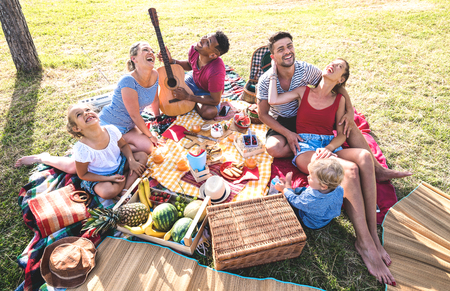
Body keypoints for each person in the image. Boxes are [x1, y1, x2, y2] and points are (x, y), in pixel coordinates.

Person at [269, 57, 396, 286]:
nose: (333, 66)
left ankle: (373, 237)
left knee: (364, 157)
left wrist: (328, 148)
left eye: (339, 67)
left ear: (342, 79)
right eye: (333, 62)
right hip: (306, 147)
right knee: (350, 171)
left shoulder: (338, 100)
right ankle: (365, 242)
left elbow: (342, 135)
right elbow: (273, 100)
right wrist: (271, 72)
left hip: (328, 145)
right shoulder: (303, 91)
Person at [257, 31, 411, 182]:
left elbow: (334, 84)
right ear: (273, 57)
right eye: (281, 49)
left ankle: (378, 169)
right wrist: (287, 133)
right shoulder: (265, 81)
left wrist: (350, 111)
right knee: (273, 148)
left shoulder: (306, 70)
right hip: (285, 119)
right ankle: (308, 151)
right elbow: (262, 114)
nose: (287, 52)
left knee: (347, 124)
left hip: (309, 114)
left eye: (289, 46)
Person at [15, 41, 161, 174]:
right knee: (73, 167)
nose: (151, 53)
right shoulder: (128, 80)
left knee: (149, 148)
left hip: (128, 127)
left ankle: (115, 149)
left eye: (152, 50)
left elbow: (155, 99)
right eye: (145, 50)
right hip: (109, 124)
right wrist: (150, 134)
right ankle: (43, 158)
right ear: (133, 58)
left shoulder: (155, 74)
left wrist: (158, 119)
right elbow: (135, 115)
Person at [67, 104, 147, 200]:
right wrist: (108, 179)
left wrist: (131, 161)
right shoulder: (82, 149)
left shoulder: (111, 130)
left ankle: (125, 190)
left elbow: (124, 145)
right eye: (79, 114)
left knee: (142, 156)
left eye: (87, 109)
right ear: (76, 128)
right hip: (100, 177)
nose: (86, 113)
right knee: (107, 192)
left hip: (120, 164)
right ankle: (123, 181)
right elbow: (83, 175)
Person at [157, 31, 230, 120]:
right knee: (171, 90)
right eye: (206, 36)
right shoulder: (195, 49)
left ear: (212, 55)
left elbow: (215, 100)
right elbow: (190, 65)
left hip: (207, 92)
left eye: (208, 42)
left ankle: (192, 101)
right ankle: (194, 101)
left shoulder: (216, 71)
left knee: (209, 112)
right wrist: (172, 61)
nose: (202, 39)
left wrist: (188, 97)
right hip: (193, 80)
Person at [275, 159, 344, 229]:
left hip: (310, 221)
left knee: (288, 203)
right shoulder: (338, 188)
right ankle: (290, 189)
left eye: (311, 177)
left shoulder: (311, 198)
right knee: (304, 191)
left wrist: (284, 190)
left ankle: (287, 186)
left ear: (323, 186)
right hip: (325, 217)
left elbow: (294, 201)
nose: (308, 177)